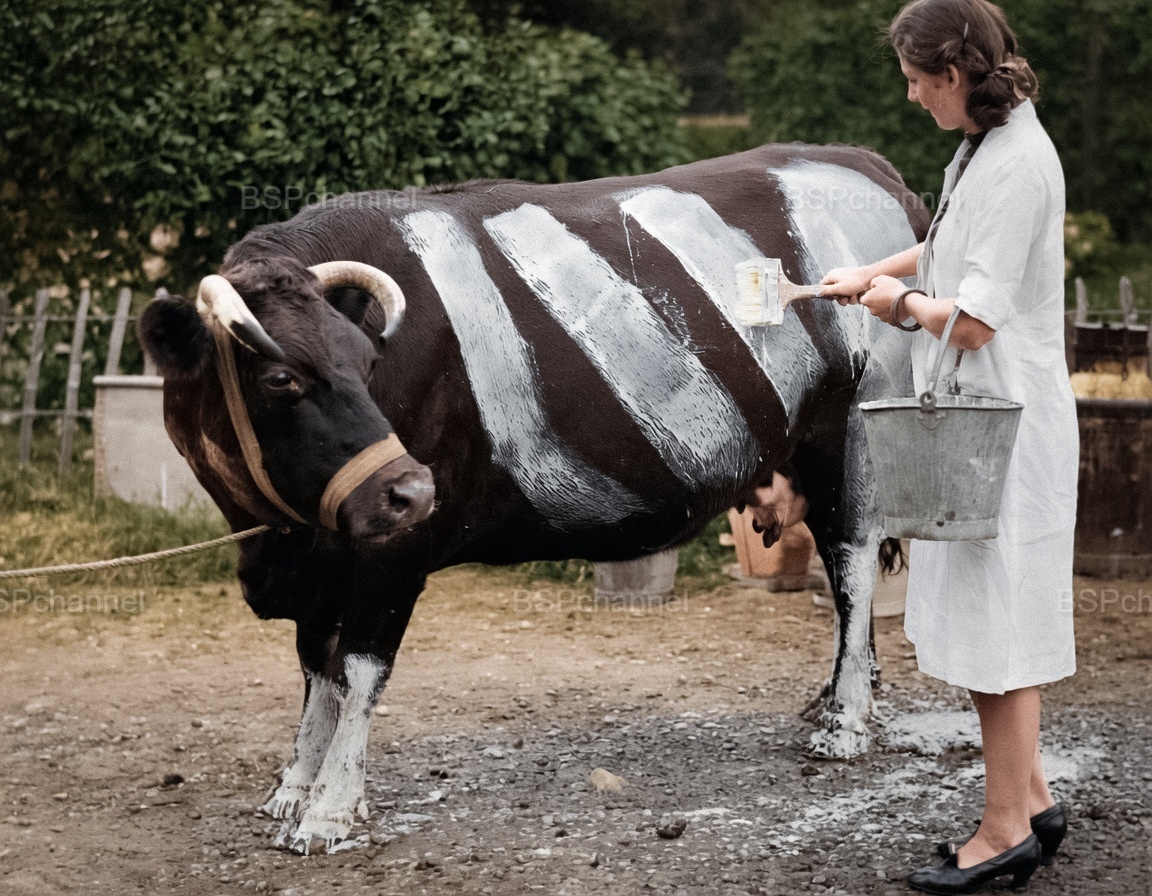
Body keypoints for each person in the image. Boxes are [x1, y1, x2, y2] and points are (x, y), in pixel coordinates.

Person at [818, 0, 1077, 892]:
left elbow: (970, 323)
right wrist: (874, 275)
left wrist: (891, 308)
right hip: (978, 424)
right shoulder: (983, 150)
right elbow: (945, 250)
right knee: (979, 616)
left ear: (955, 77)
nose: (909, 94)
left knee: (1000, 626)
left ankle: (1003, 830)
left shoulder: (1018, 168)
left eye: (915, 79)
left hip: (1003, 423)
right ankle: (1034, 800)